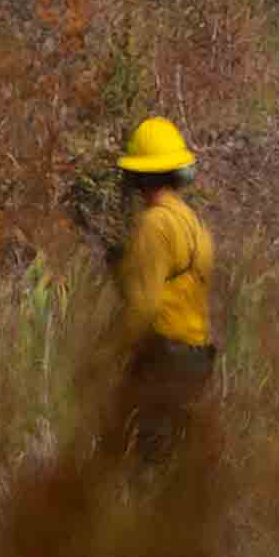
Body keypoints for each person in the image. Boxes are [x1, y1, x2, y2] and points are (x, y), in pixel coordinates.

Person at [106, 117, 216, 457]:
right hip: (195, 360)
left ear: (139, 175)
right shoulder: (193, 223)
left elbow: (143, 307)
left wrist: (107, 352)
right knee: (172, 461)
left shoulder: (155, 224)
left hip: (161, 360)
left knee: (134, 459)